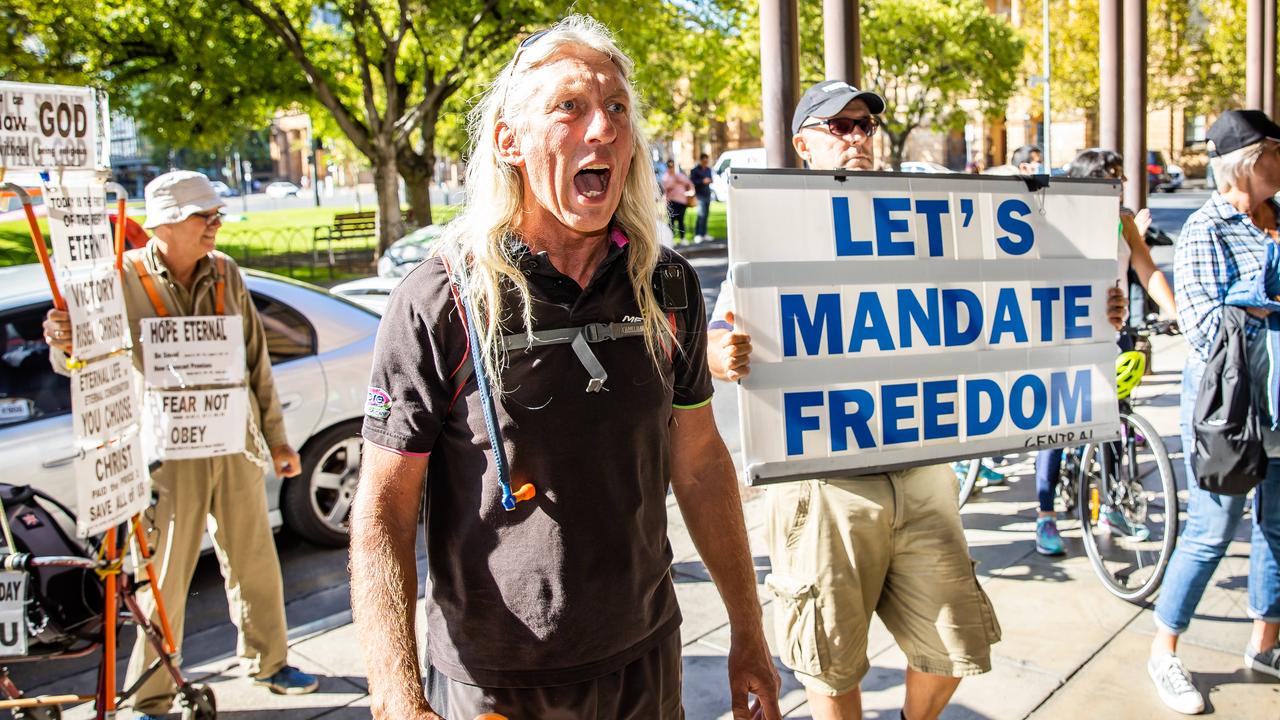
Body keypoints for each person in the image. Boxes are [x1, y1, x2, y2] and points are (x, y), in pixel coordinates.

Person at [350, 16, 780, 719]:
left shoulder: (664, 285)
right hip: (500, 683)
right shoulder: (441, 299)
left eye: (617, 108)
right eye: (570, 107)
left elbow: (700, 465)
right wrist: (397, 699)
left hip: (646, 661)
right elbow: (383, 510)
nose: (604, 129)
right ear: (509, 142)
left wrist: (748, 632)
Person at [43, 171, 318, 718]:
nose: (216, 225)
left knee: (255, 560)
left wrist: (277, 440)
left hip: (231, 442)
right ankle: (152, 694)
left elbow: (254, 359)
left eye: (216, 214)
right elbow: (77, 362)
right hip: (164, 454)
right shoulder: (118, 278)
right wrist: (62, 339)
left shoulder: (226, 273)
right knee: (161, 575)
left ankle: (269, 659)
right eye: (204, 216)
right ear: (164, 224)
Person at [1149, 109, 1280, 715]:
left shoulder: (1277, 219)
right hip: (1228, 408)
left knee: (1277, 527)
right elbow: (1201, 328)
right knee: (1211, 530)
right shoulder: (1206, 228)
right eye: (1277, 152)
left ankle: (1265, 643)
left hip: (1278, 400)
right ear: (1250, 162)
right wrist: (1265, 293)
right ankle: (1164, 650)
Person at [1031, 148, 1178, 556]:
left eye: (1119, 181)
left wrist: (1179, 311)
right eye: (1110, 180)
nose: (1118, 189)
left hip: (1110, 336)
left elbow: (1147, 270)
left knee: (1113, 423)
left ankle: (1110, 504)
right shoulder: (1057, 223)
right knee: (1056, 430)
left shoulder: (1123, 221)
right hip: (1063, 339)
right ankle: (1045, 515)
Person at [661, 158, 695, 243]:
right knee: (671, 221)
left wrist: (690, 191)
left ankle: (682, 238)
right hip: (671, 201)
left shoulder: (680, 175)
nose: (671, 168)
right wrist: (674, 181)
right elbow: (666, 187)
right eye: (669, 166)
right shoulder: (665, 177)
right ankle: (671, 239)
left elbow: (689, 183)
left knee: (681, 220)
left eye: (672, 166)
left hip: (682, 201)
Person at [690, 152, 715, 241]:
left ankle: (704, 233)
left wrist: (709, 180)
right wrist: (702, 181)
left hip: (707, 194)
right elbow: (692, 182)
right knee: (701, 214)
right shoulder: (695, 170)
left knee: (706, 214)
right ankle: (698, 234)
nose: (705, 162)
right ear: (701, 160)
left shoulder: (708, 169)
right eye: (704, 161)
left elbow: (711, 179)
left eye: (706, 161)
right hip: (699, 195)